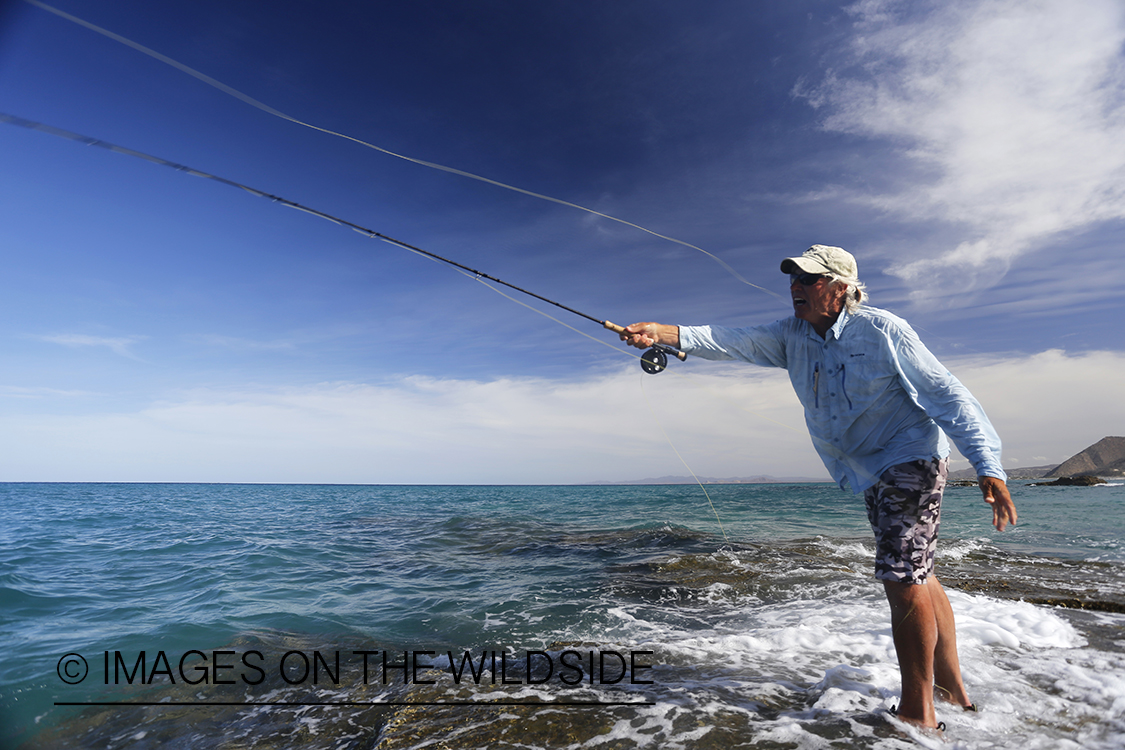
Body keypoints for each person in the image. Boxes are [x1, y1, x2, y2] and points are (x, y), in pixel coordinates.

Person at [621, 245, 1017, 732]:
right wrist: (659, 332)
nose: (795, 288)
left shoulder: (882, 329)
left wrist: (988, 466)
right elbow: (727, 339)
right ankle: (951, 689)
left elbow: (947, 393)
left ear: (840, 289)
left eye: (808, 280)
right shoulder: (791, 336)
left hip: (910, 455)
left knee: (900, 575)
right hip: (867, 469)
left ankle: (919, 712)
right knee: (918, 570)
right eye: (793, 279)